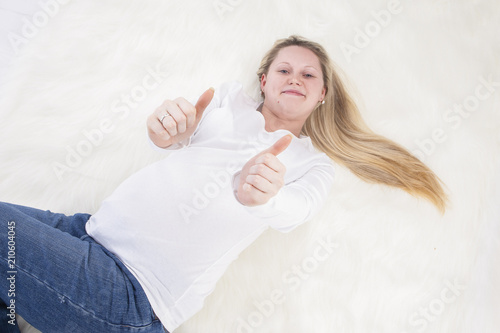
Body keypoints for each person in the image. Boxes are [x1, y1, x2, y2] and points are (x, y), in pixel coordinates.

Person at [0, 35, 446, 333]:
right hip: (86, 233)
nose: (295, 78)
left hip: (128, 294)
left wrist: (266, 197)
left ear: (323, 93)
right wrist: (165, 131)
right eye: (284, 70)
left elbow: (295, 212)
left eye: (309, 75)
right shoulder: (226, 103)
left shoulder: (312, 165)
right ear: (263, 80)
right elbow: (175, 138)